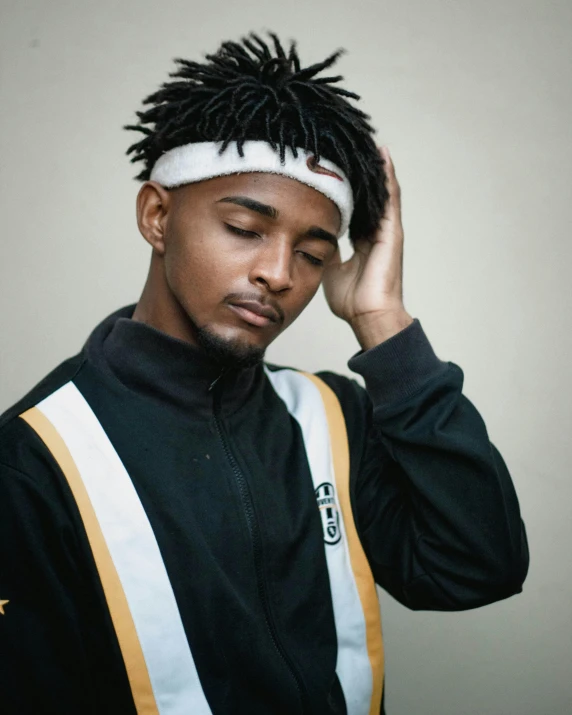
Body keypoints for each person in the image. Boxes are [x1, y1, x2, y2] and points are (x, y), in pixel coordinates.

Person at [0, 33, 528, 715]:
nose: (279, 274)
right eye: (246, 228)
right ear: (158, 216)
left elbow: (481, 564)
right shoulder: (32, 461)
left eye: (312, 253)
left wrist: (382, 319)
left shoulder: (332, 416)